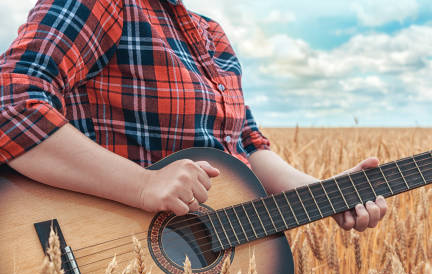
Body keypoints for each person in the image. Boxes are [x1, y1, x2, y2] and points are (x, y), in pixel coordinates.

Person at [0, 0, 387, 231]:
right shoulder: (106, 4)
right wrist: (142, 185)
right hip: (105, 270)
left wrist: (323, 192)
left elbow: (244, 144)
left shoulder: (211, 35)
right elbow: (11, 102)